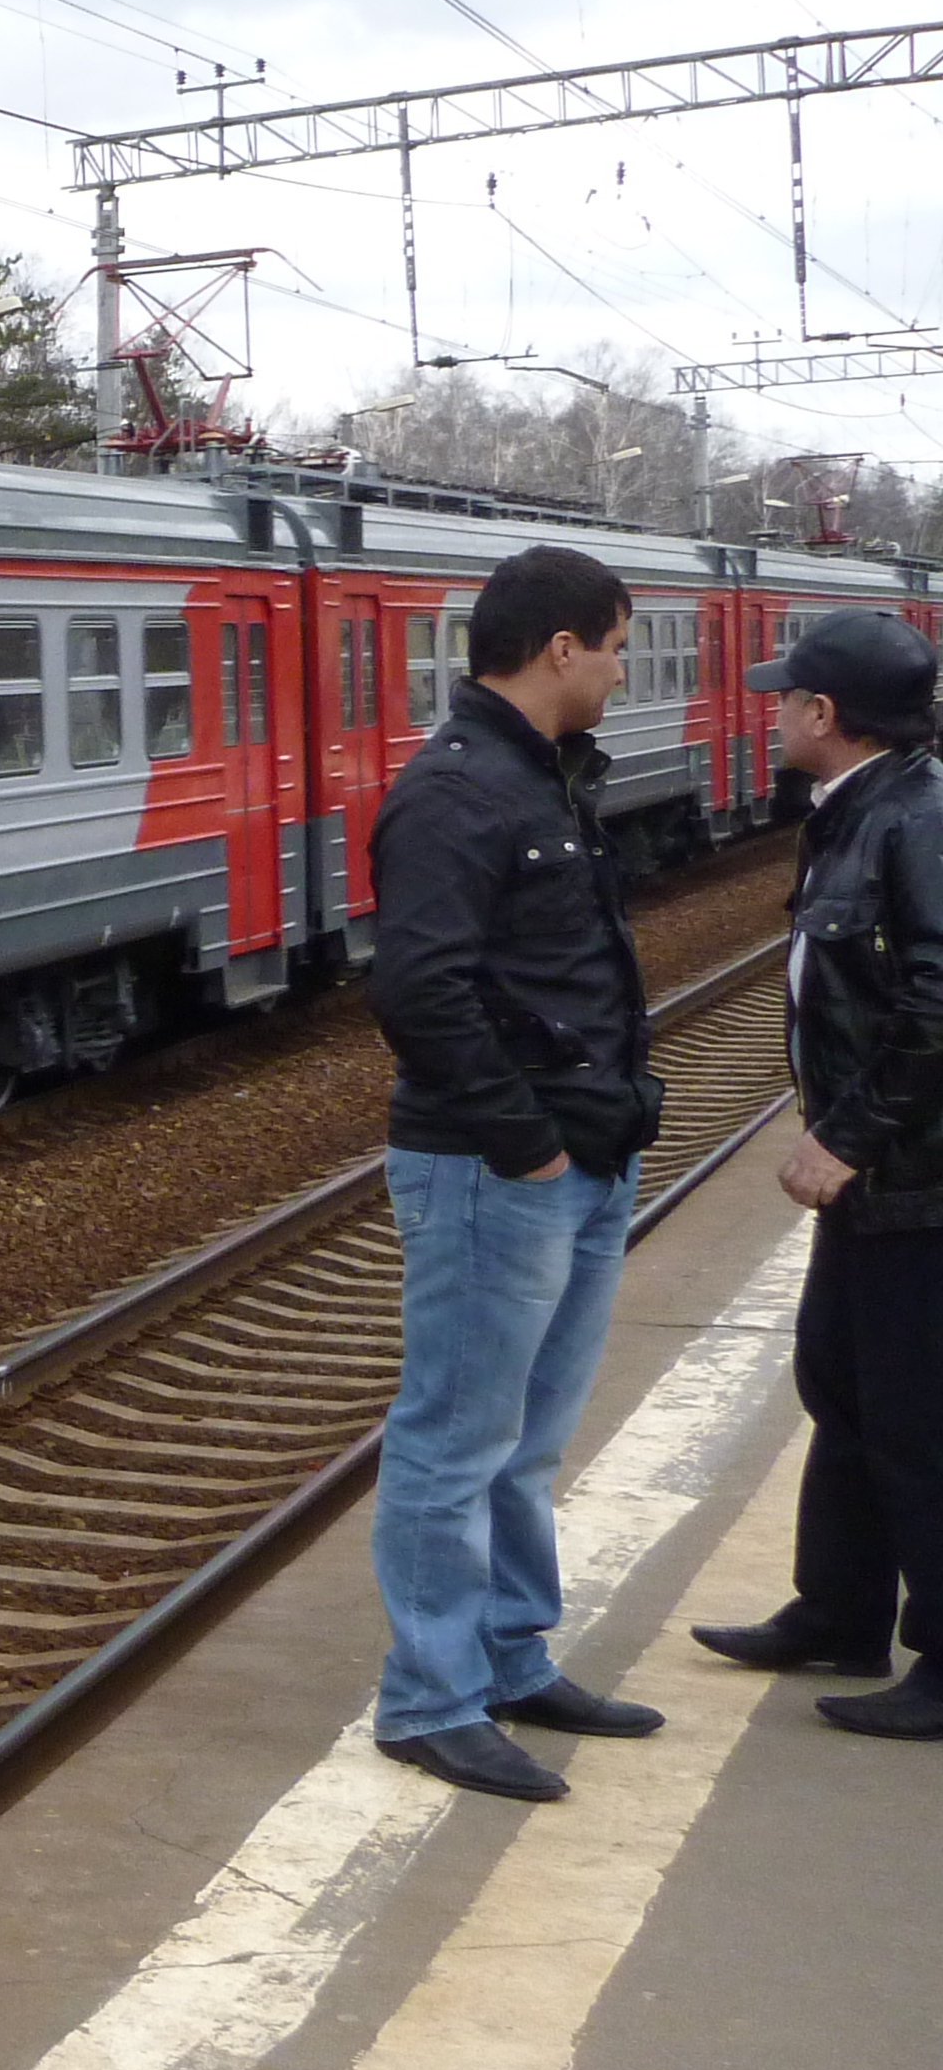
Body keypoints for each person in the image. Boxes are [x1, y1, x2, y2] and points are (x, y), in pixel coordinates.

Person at [362, 543, 667, 1802]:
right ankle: (430, 1699)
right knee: (455, 1437)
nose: (620, 670)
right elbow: (420, 992)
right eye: (614, 647)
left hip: (579, 1158)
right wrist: (524, 1141)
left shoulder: (544, 779)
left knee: (528, 1441)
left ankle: (506, 1655)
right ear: (560, 649)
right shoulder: (455, 793)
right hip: (499, 1172)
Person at [693, 608, 943, 1734]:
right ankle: (837, 1609)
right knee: (839, 1386)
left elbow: (938, 1004)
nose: (772, 709)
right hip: (880, 1178)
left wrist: (847, 1136)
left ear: (825, 715)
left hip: (915, 1179)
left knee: (917, 1416)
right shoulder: (857, 811)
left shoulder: (918, 820)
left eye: (785, 696)